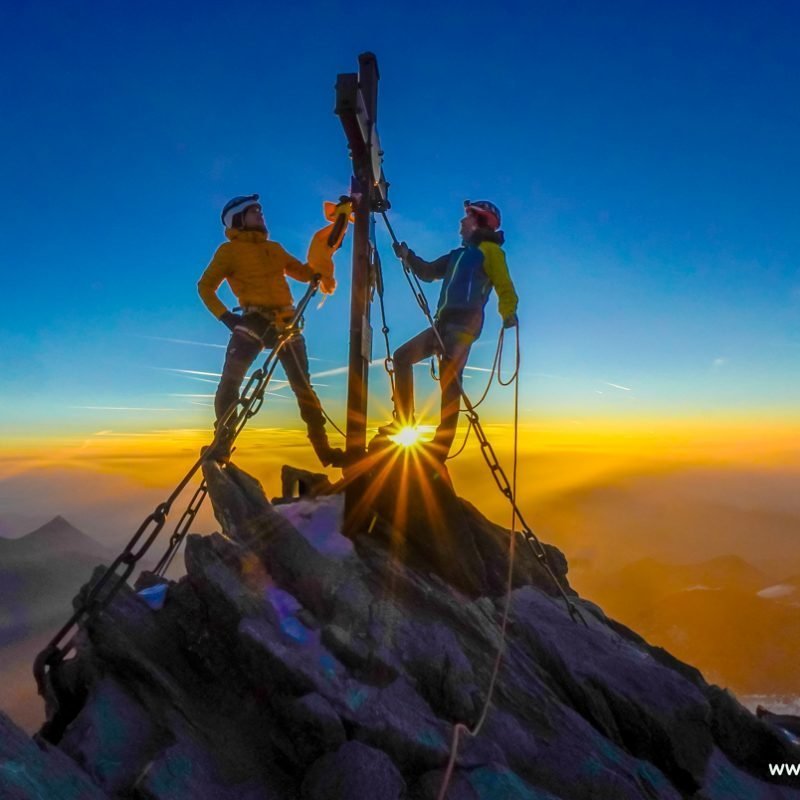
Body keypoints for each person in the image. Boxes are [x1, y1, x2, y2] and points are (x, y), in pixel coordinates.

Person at [198, 193, 345, 467]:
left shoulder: (274, 248)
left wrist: (317, 270)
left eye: (260, 210)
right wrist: (228, 318)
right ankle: (223, 444)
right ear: (239, 219)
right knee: (230, 383)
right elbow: (205, 287)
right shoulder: (228, 252)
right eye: (255, 211)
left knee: (304, 390)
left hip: (285, 321)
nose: (261, 214)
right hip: (253, 321)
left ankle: (324, 451)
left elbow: (300, 271)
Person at [380, 200, 518, 460]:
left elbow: (504, 285)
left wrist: (508, 312)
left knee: (449, 379)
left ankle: (440, 448)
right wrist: (408, 256)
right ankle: (404, 423)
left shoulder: (491, 252)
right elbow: (429, 272)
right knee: (402, 357)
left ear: (478, 222)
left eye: (465, 219)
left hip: (464, 325)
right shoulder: (457, 255)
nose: (460, 224)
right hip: (443, 323)